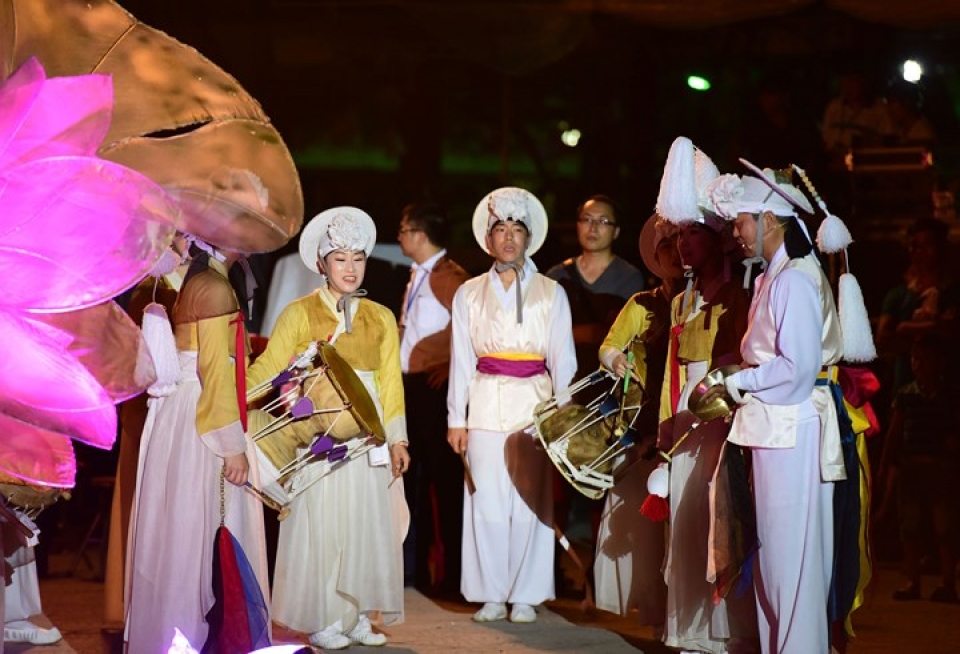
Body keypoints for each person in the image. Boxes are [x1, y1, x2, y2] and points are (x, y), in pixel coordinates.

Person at [247, 207, 411, 650]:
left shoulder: (378, 317)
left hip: (368, 432)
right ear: (322, 264)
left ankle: (356, 613)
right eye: (340, 259)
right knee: (322, 522)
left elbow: (391, 383)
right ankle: (322, 616)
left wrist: (398, 438)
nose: (350, 268)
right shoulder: (299, 313)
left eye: (358, 258)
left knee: (366, 522)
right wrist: (232, 393)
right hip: (318, 433)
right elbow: (271, 366)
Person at [706, 164, 848, 654]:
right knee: (774, 559)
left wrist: (738, 379)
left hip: (790, 427)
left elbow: (798, 366)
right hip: (772, 428)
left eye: (742, 221)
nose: (736, 231)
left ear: (769, 219)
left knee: (792, 560)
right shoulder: (774, 277)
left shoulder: (795, 280)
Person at [125, 240, 270, 653]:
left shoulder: (203, 280)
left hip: (183, 411)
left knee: (181, 523)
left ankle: (178, 632)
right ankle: (204, 633)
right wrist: (231, 445)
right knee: (200, 522)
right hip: (202, 413)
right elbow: (216, 373)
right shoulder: (215, 288)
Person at [447, 186, 576, 624]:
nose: (508, 237)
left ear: (528, 236)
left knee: (528, 503)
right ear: (488, 238)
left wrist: (565, 416)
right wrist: (456, 417)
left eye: (516, 229)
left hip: (534, 409)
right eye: (500, 228)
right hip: (483, 402)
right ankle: (490, 593)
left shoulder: (550, 292)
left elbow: (564, 359)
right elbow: (461, 360)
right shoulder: (468, 292)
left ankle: (526, 593)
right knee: (485, 501)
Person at [652, 137, 754, 654]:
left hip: (719, 417)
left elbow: (733, 361)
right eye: (678, 235)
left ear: (717, 236)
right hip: (685, 422)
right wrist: (668, 421)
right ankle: (688, 629)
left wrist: (709, 403)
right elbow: (673, 372)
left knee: (719, 518)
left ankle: (727, 632)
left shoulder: (737, 295)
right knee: (686, 522)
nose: (686, 244)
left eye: (695, 232)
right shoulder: (681, 301)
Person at [593, 213, 684, 624]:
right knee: (643, 526)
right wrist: (616, 359)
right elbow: (609, 345)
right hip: (645, 421)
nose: (676, 255)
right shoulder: (641, 304)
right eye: (667, 247)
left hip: (689, 420)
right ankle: (652, 609)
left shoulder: (708, 300)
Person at [396, 201, 470, 595]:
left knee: (445, 484)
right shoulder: (419, 275)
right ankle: (417, 570)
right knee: (414, 480)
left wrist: (451, 363)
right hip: (411, 387)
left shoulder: (449, 277)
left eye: (404, 230)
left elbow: (473, 327)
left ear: (421, 235)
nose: (400, 236)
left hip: (435, 389)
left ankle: (453, 575)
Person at [877, 332, 960, 603]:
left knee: (944, 528)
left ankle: (948, 582)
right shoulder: (906, 394)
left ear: (939, 362)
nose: (918, 364)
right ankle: (912, 580)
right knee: (910, 527)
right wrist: (885, 466)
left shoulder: (949, 397)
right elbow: (894, 433)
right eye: (915, 359)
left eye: (925, 359)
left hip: (941, 468)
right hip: (910, 469)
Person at [876, 217, 958, 393]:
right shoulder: (899, 296)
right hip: (907, 393)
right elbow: (883, 339)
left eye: (926, 245)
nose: (918, 251)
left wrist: (907, 328)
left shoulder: (953, 294)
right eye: (914, 245)